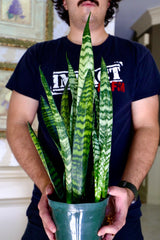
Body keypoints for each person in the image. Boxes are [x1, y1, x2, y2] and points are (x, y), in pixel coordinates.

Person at [6, 0, 160, 240]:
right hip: (51, 207)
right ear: (64, 3)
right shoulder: (37, 56)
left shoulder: (137, 56)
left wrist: (129, 191)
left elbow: (147, 126)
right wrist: (48, 189)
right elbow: (17, 124)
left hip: (119, 209)